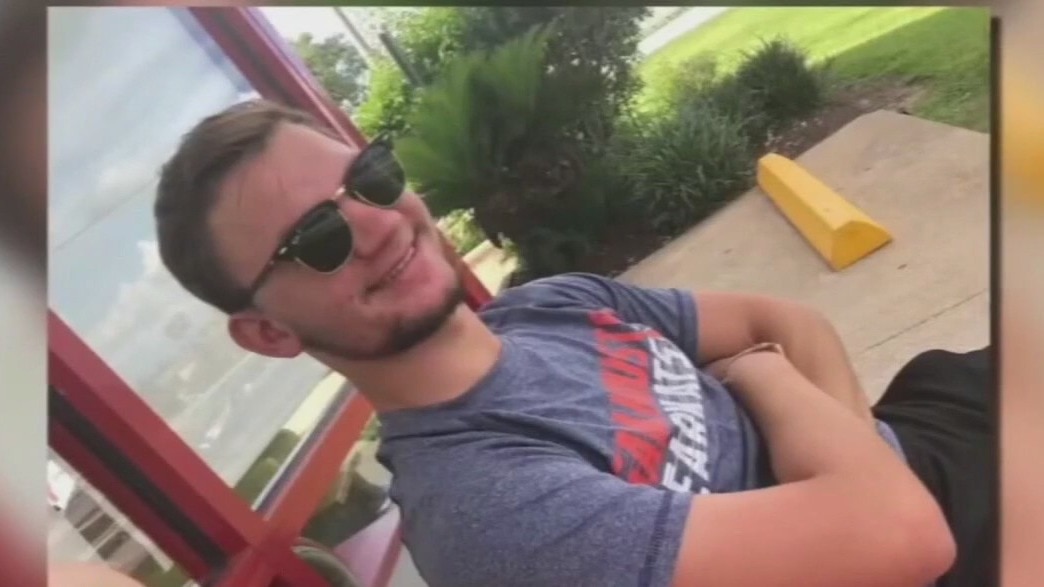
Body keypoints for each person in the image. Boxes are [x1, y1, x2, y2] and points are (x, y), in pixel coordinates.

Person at [153, 99, 993, 587]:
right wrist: (763, 380)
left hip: (924, 434)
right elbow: (904, 536)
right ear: (269, 332)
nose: (379, 224)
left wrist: (852, 445)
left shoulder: (550, 304)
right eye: (319, 237)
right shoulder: (485, 511)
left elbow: (789, 322)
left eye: (369, 178)